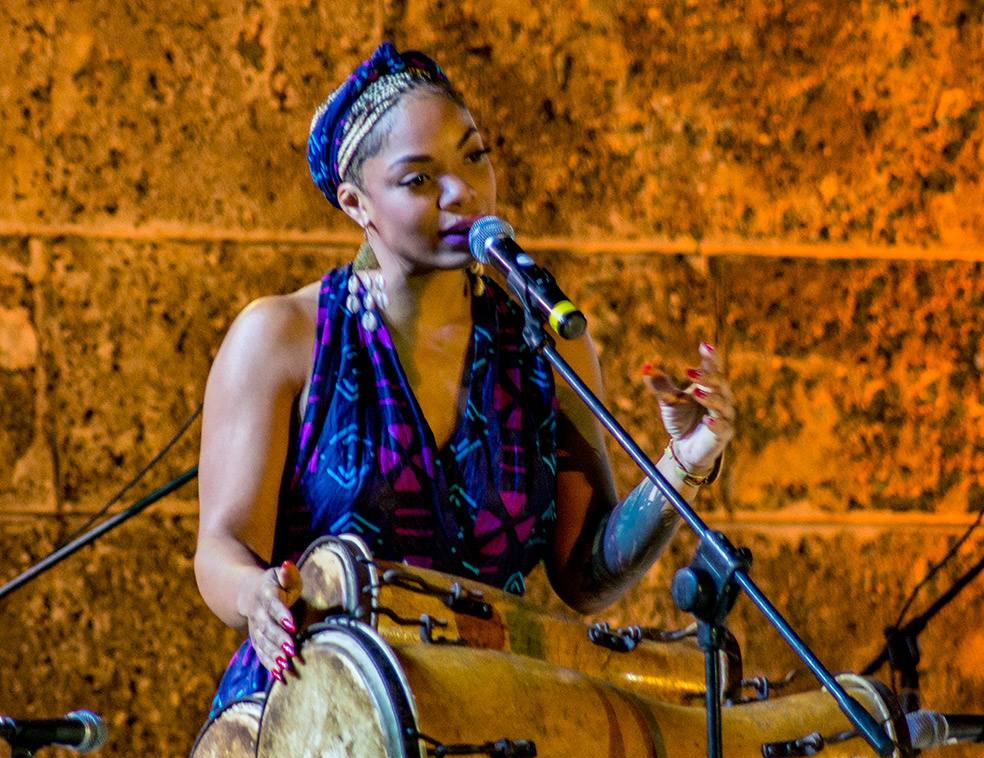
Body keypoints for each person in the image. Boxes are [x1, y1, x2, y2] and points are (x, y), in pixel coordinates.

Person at [194, 42, 735, 712]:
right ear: (357, 203)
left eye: (474, 156)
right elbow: (220, 547)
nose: (463, 193)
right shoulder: (285, 336)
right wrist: (254, 594)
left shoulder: (542, 345)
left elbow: (584, 573)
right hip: (314, 728)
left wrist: (684, 461)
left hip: (487, 734)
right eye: (419, 179)